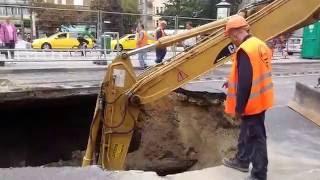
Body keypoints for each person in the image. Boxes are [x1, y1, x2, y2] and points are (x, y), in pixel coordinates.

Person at [222, 15, 274, 180]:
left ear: (236, 32)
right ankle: (242, 160)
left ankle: (259, 174)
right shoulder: (259, 45)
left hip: (252, 102)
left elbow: (245, 81)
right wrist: (230, 81)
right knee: (247, 131)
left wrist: (239, 108)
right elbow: (253, 71)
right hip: (262, 98)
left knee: (256, 137)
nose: (232, 40)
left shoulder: (245, 50)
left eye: (231, 36)